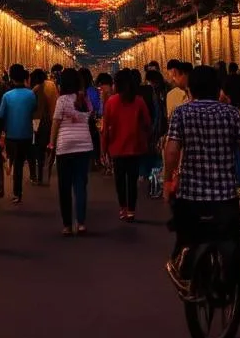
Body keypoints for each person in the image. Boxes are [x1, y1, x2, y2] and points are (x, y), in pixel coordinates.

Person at [163, 64, 240, 279]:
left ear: (190, 89)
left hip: (191, 195)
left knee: (185, 237)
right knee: (231, 236)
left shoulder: (182, 113)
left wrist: (167, 181)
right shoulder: (231, 113)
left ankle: (183, 269)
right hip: (225, 196)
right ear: (218, 88)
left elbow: (171, 151)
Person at [102, 68, 150, 221]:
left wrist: (103, 150)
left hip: (116, 148)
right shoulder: (139, 101)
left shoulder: (111, 102)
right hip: (135, 147)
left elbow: (105, 128)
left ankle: (122, 208)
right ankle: (131, 210)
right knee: (132, 180)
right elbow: (147, 123)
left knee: (120, 180)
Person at [50, 67, 94, 235]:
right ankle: (81, 223)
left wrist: (51, 144)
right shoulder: (85, 100)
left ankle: (67, 226)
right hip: (84, 146)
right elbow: (90, 115)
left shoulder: (61, 101)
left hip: (65, 147)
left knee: (64, 187)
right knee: (80, 185)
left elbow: (55, 123)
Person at [0, 64, 37, 203]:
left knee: (14, 162)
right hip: (26, 134)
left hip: (11, 135)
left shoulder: (7, 96)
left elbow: (1, 116)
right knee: (20, 162)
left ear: (11, 77)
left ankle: (14, 189)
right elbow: (33, 109)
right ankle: (17, 192)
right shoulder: (31, 94)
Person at [30, 67, 58, 184]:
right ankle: (47, 174)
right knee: (49, 148)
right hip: (51, 121)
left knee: (38, 149)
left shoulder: (36, 89)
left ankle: (39, 175)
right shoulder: (52, 86)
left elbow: (33, 108)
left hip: (39, 122)